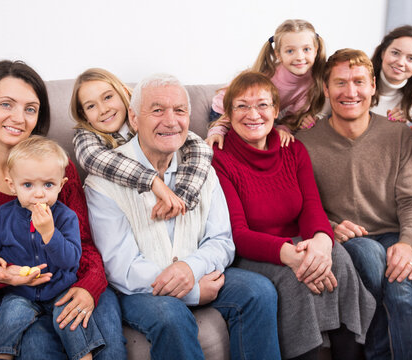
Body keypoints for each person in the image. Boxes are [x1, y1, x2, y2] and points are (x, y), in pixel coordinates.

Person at [0, 60, 127, 359]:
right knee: (36, 348)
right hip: (19, 295)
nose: (18, 118)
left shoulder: (58, 169)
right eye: (6, 104)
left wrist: (89, 286)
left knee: (104, 347)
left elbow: (83, 244)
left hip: (72, 281)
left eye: (30, 109)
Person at [85, 73, 281, 360]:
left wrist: (190, 268)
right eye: (157, 110)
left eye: (179, 111)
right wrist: (191, 292)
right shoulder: (102, 181)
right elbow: (121, 267)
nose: (171, 120)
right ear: (134, 118)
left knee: (259, 291)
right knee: (170, 315)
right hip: (139, 292)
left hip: (199, 272)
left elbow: (222, 240)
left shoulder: (200, 168)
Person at [211, 71, 375, 360]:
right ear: (228, 113)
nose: (253, 114)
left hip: (298, 242)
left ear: (275, 111)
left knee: (341, 261)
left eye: (262, 105)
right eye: (242, 106)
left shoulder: (293, 149)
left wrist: (322, 243)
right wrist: (292, 256)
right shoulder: (221, 158)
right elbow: (237, 233)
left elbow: (311, 207)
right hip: (251, 253)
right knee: (293, 280)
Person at [296, 49, 412, 360]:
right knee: (370, 256)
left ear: (373, 86)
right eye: (340, 83)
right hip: (341, 241)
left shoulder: (398, 134)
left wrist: (409, 245)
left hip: (392, 236)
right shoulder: (304, 141)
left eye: (359, 82)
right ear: (326, 90)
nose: (351, 92)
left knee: (402, 294)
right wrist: (327, 228)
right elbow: (298, 205)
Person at [0, 136, 102, 360]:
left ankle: (84, 355)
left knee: (71, 316)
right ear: (12, 185)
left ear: (61, 185)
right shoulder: (2, 217)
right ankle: (0, 356)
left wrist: (50, 233)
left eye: (48, 185)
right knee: (9, 314)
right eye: (28, 185)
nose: (39, 193)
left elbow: (71, 260)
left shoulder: (66, 217)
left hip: (60, 288)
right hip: (20, 292)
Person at [71, 68, 213, 218]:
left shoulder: (146, 118)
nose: (103, 109)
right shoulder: (85, 136)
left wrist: (182, 196)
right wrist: (153, 181)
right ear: (84, 115)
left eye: (107, 97)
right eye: (91, 106)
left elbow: (201, 149)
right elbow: (92, 157)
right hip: (122, 205)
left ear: (124, 92)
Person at [206, 19, 331, 148]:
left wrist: (284, 129)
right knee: (231, 146)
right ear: (278, 54)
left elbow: (294, 115)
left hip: (258, 114)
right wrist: (218, 129)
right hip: (225, 112)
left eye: (306, 49)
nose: (299, 57)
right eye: (290, 51)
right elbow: (238, 106)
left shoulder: (313, 80)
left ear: (315, 50)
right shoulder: (269, 76)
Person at [371, 25, 412, 123]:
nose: (401, 63)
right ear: (383, 53)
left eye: (411, 58)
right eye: (395, 53)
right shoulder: (357, 85)